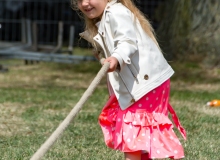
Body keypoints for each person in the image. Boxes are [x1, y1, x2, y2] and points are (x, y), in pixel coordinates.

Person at [71, 0, 187, 159]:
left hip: (145, 85)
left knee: (132, 130)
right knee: (139, 136)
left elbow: (127, 42)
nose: (84, 3)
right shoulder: (106, 17)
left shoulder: (116, 12)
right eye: (79, 0)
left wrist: (116, 57)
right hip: (148, 83)